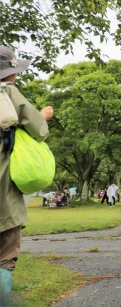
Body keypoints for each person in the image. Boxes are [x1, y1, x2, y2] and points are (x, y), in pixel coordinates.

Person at [0, 45, 54, 305]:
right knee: (5, 258)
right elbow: (39, 130)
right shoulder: (7, 92)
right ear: (9, 73)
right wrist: (43, 116)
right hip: (3, 195)